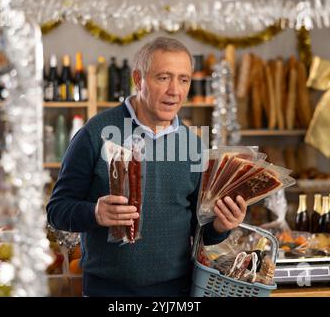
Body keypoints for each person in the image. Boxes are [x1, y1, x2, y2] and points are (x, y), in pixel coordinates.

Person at [46, 37, 247, 297]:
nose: (175, 90)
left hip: (176, 291)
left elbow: (201, 232)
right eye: (163, 78)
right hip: (106, 290)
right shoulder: (95, 133)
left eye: (183, 79)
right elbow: (56, 210)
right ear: (139, 79)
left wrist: (221, 225)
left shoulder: (194, 146)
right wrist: (95, 212)